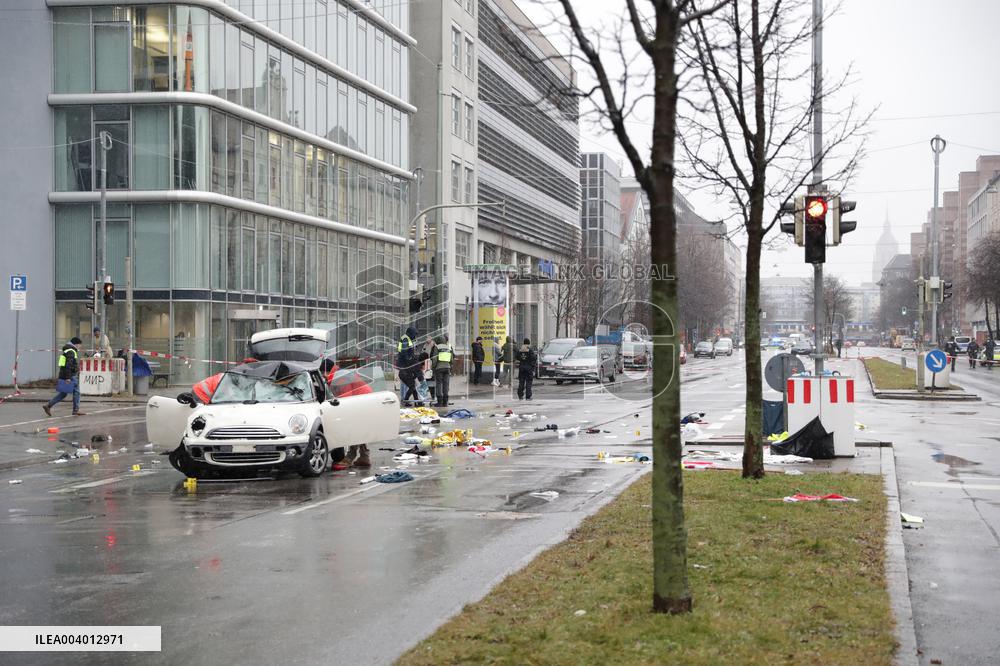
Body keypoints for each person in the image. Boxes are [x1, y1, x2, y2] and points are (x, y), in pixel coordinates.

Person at [43, 337, 85, 417]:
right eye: (80, 345)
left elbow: (67, 364)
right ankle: (76, 410)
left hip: (64, 374)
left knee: (63, 394)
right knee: (77, 392)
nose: (80, 347)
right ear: (76, 344)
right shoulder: (71, 351)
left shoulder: (67, 350)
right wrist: (68, 377)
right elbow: (68, 365)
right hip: (70, 375)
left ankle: (48, 405)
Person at [396, 326, 420, 405]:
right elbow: (404, 352)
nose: (415, 336)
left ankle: (406, 400)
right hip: (404, 364)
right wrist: (409, 360)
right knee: (406, 382)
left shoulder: (406, 338)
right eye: (414, 334)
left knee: (408, 382)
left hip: (404, 363)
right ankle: (404, 399)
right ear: (411, 333)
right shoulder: (406, 338)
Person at [431, 336, 454, 407]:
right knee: (446, 384)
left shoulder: (437, 347)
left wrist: (433, 367)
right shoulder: (448, 347)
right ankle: (445, 402)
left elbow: (434, 359)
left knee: (439, 384)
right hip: (447, 368)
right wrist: (450, 366)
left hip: (439, 368)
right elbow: (451, 359)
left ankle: (439, 402)